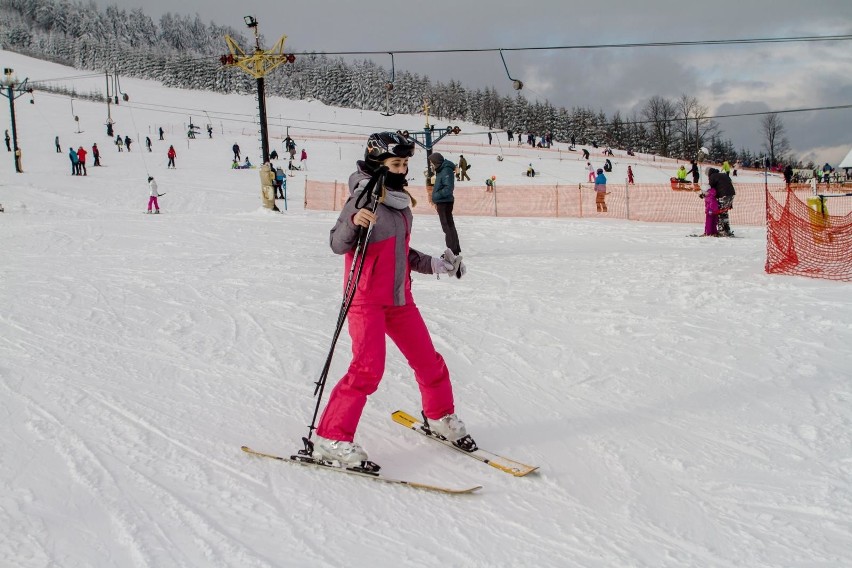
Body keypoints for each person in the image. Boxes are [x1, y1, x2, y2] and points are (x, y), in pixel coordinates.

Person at [312, 131, 473, 466]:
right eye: (395, 163)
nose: (401, 170)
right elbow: (337, 244)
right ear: (378, 163)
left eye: (404, 164)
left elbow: (401, 251)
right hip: (366, 297)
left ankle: (440, 416)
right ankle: (332, 436)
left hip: (399, 299)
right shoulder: (363, 198)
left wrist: (435, 264)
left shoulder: (398, 201)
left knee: (429, 361)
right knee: (368, 369)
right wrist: (354, 223)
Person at [429, 152, 462, 255]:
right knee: (449, 225)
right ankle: (455, 249)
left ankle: (451, 250)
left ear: (436, 162)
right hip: (444, 201)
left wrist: (436, 196)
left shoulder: (445, 170)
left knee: (447, 226)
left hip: (444, 202)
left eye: (432, 163)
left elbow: (448, 188)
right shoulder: (442, 170)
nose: (431, 165)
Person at [707, 167, 735, 236]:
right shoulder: (724, 174)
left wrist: (704, 194)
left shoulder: (712, 176)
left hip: (723, 195)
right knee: (724, 212)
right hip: (731, 194)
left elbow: (710, 187)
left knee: (720, 213)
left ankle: (722, 231)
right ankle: (727, 229)